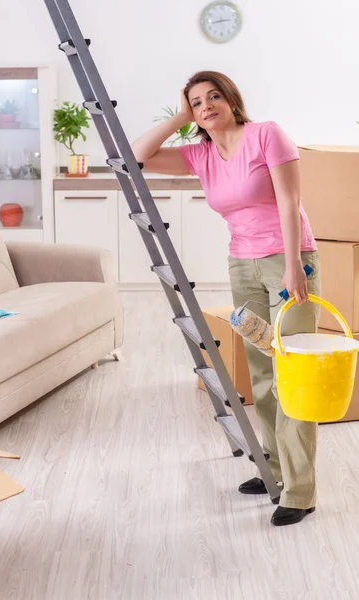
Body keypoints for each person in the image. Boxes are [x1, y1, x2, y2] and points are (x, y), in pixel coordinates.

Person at [131, 70, 321, 527]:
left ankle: (300, 491)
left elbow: (289, 201)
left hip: (289, 262)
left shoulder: (266, 135)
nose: (206, 106)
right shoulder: (201, 154)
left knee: (290, 373)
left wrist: (295, 264)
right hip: (242, 264)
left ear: (232, 100)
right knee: (260, 373)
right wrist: (177, 115)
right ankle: (274, 469)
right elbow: (134, 157)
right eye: (196, 102)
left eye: (213, 96)